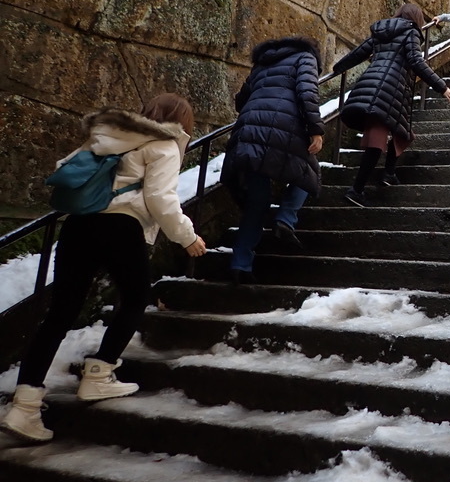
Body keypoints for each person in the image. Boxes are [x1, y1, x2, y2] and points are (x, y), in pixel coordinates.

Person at [0, 94, 206, 444]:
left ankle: (25, 404)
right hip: (122, 227)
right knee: (136, 296)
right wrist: (186, 238)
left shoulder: (109, 136)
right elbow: (160, 198)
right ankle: (100, 372)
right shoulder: (164, 145)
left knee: (60, 314)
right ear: (181, 121)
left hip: (79, 225)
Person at [221, 37, 325, 284]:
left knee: (257, 202)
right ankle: (285, 219)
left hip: (248, 131)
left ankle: (240, 265)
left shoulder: (262, 63)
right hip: (284, 128)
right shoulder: (305, 58)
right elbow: (307, 91)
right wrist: (316, 129)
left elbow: (241, 100)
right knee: (309, 174)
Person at [334, 3, 450, 207]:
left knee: (403, 132)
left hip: (372, 84)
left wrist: (338, 68)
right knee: (377, 138)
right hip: (389, 89)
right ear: (417, 18)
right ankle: (356, 190)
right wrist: (442, 87)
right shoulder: (411, 32)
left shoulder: (382, 31)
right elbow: (416, 61)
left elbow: (359, 53)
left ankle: (389, 173)